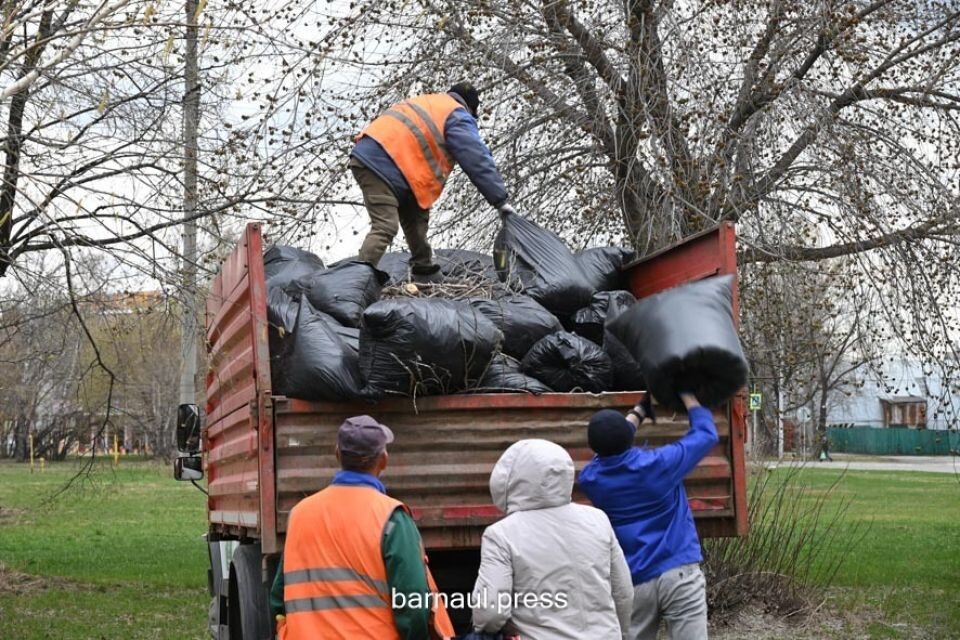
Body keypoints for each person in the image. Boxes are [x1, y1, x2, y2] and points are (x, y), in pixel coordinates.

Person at [271, 415, 454, 640]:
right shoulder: (391, 519)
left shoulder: (300, 514)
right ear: (383, 460)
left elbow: (279, 597)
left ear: (337, 454)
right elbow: (412, 603)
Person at [580, 392, 719, 640]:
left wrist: (638, 413)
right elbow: (706, 434)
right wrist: (688, 396)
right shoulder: (660, 464)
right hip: (679, 572)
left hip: (634, 581)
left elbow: (607, 451)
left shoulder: (591, 479)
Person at [470, 439, 634, 639]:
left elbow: (490, 612)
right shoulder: (597, 520)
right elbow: (623, 592)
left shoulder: (501, 534)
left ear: (510, 478)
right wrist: (621, 633)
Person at [351, 82, 515, 277]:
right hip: (380, 164)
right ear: (470, 108)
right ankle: (352, 282)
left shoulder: (431, 102)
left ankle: (424, 271)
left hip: (386, 163)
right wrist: (500, 200)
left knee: (417, 220)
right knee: (385, 225)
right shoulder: (457, 115)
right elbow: (476, 158)